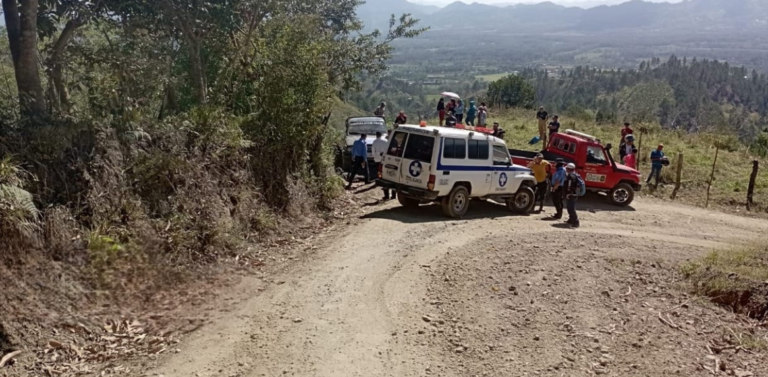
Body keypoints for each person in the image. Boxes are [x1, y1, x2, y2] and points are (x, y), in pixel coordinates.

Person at [372, 131, 395, 200]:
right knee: (391, 177)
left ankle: (386, 195)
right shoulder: (386, 141)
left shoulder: (375, 141)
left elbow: (373, 150)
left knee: (382, 175)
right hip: (386, 160)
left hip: (378, 159)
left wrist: (374, 156)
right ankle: (393, 195)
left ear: (376, 135)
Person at [563, 163, 581, 228]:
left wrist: (568, 193)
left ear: (569, 169)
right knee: (569, 207)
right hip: (573, 194)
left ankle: (576, 222)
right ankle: (571, 219)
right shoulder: (575, 175)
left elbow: (569, 186)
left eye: (567, 168)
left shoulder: (570, 176)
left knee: (571, 208)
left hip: (571, 194)